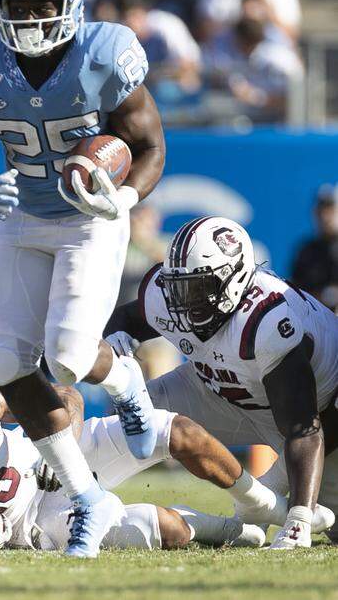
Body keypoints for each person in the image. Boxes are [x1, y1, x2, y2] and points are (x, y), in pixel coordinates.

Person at [0, 0, 165, 558]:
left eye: (44, 5)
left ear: (71, 3)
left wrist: (123, 201)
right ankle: (87, 500)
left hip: (89, 218)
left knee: (67, 357)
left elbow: (149, 147)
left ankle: (123, 380)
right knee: (4, 366)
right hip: (21, 217)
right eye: (19, 8)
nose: (31, 20)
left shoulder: (105, 52)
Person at [0, 369, 286, 551]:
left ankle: (266, 505)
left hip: (51, 453)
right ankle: (239, 532)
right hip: (34, 517)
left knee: (178, 431)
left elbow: (63, 395)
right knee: (164, 529)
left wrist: (60, 446)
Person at [106, 217, 338, 548]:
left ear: (236, 279)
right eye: (178, 286)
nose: (183, 301)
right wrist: (118, 345)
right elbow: (126, 320)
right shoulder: (167, 296)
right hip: (213, 386)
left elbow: (304, 429)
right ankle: (61, 490)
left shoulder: (266, 321)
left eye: (198, 288)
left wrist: (297, 515)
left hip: (311, 414)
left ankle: (273, 513)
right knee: (131, 418)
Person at [291, 185, 338, 311]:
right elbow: (294, 293)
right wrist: (321, 297)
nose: (325, 217)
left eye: (330, 210)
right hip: (314, 321)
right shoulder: (306, 251)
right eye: (321, 211)